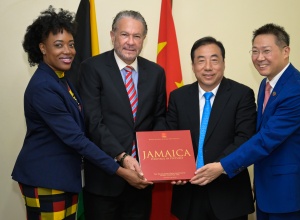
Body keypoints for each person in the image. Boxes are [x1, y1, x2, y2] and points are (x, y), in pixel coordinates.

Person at [11, 6, 149, 220]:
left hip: (65, 177)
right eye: (58, 45)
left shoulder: (61, 79)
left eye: (71, 44)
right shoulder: (43, 86)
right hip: (46, 178)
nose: (67, 51)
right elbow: (76, 138)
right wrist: (120, 169)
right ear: (42, 48)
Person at [208, 23, 300, 219]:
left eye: (266, 51)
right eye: (255, 51)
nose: (259, 58)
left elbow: (266, 139)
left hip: (289, 194)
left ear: (286, 51)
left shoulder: (298, 91)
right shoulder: (266, 84)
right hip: (267, 190)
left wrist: (223, 165)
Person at [78, 10, 166, 220]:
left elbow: (160, 117)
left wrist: (153, 159)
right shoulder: (92, 68)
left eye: (137, 36)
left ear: (144, 39)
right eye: (125, 34)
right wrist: (122, 156)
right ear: (112, 35)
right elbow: (93, 121)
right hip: (104, 180)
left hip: (142, 180)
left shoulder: (156, 72)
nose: (130, 42)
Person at [166, 36, 256, 220]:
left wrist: (219, 167)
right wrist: (173, 168)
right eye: (201, 60)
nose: (208, 67)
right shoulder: (178, 97)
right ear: (192, 66)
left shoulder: (242, 94)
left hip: (228, 193)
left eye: (214, 60)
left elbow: (245, 138)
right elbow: (170, 137)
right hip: (188, 195)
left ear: (223, 63)